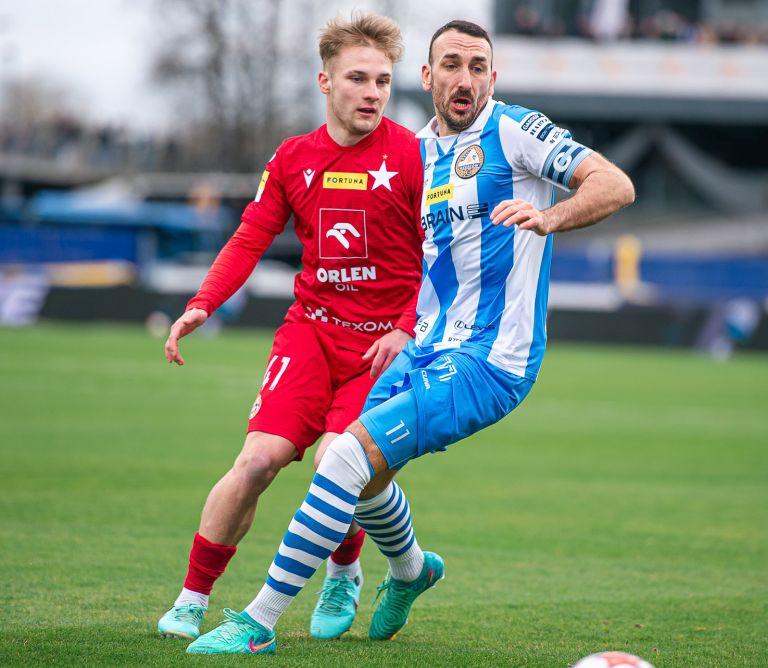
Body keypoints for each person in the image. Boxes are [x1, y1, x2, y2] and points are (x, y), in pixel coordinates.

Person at [185, 18, 635, 655]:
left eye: (477, 67)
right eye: (451, 65)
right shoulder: (414, 152)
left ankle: (258, 622)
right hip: (422, 346)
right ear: (426, 77)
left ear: (493, 77)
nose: (465, 79)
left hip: (490, 358)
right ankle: (411, 569)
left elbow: (616, 184)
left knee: (344, 459)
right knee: (357, 473)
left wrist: (548, 216)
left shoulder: (516, 130)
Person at [156, 13, 425, 642]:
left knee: (338, 461)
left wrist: (408, 326)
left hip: (383, 344)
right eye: (357, 78)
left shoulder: (416, 157)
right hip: (311, 332)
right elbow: (251, 236)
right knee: (256, 462)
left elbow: (443, 259)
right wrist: (203, 303)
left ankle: (344, 571)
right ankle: (192, 598)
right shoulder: (292, 158)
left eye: (383, 81)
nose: (372, 93)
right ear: (324, 81)